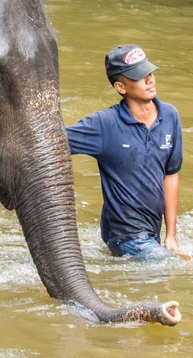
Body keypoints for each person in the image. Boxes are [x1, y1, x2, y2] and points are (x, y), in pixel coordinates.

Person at [65, 44, 185, 261]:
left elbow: (171, 175)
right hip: (124, 233)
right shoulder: (104, 125)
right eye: (140, 76)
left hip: (150, 231)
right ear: (121, 87)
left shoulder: (170, 115)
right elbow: (51, 142)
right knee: (171, 269)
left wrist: (171, 235)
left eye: (149, 72)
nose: (150, 79)